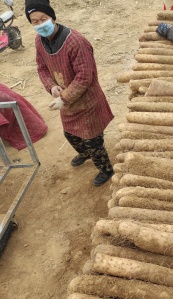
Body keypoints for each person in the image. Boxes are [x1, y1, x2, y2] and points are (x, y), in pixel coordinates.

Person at [24, 0, 114, 186]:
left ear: (53, 17)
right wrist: (51, 87)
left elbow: (84, 77)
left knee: (93, 141)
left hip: (87, 101)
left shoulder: (76, 41)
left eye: (44, 18)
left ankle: (106, 169)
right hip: (66, 102)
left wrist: (64, 98)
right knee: (71, 135)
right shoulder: (39, 41)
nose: (40, 24)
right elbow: (42, 67)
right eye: (34, 21)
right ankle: (85, 154)